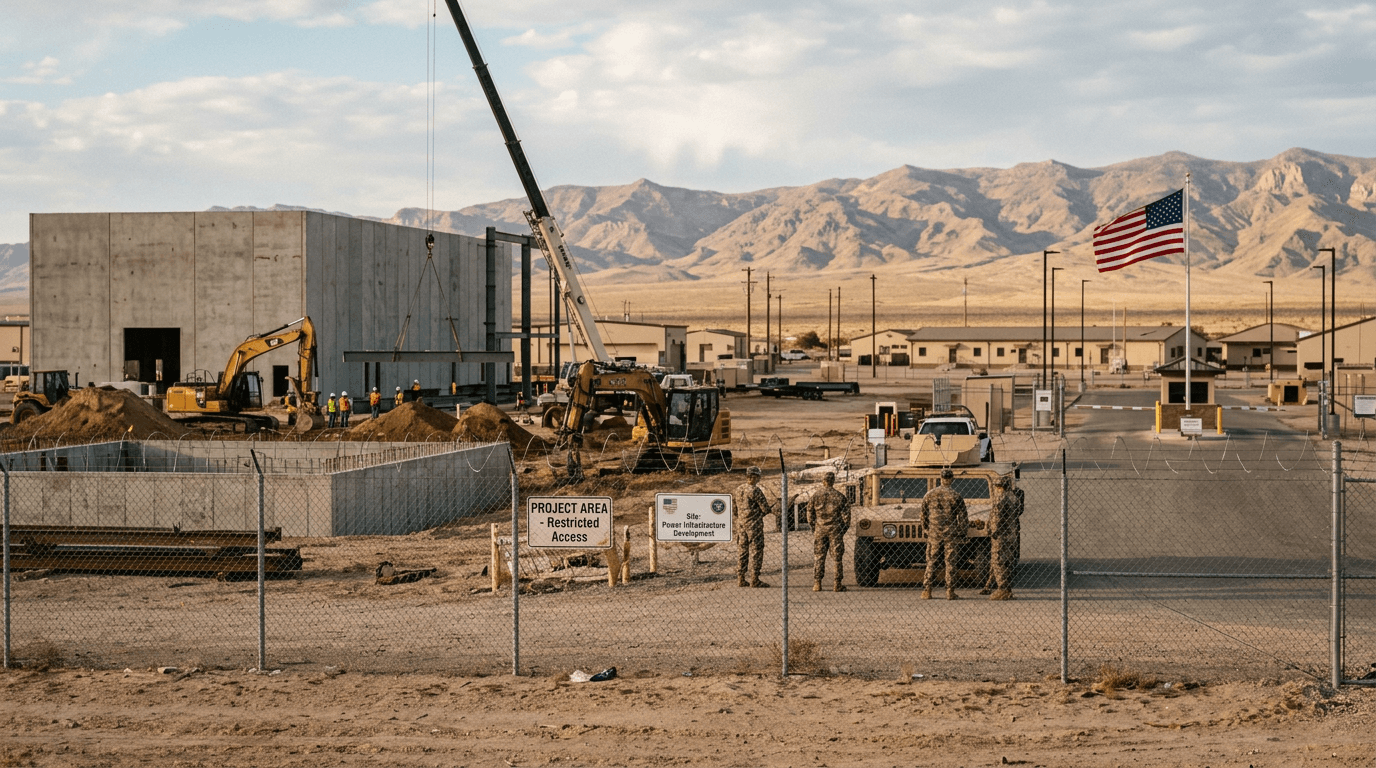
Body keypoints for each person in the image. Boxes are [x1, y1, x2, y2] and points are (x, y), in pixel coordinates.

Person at [920, 468, 969, 600]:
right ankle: (950, 591)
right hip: (950, 533)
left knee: (931, 561)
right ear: (951, 479)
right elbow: (963, 517)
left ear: (940, 479)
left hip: (934, 533)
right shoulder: (956, 496)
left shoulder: (929, 495)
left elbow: (923, 514)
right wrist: (962, 532)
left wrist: (926, 529)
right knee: (950, 562)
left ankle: (927, 590)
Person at [807, 471, 851, 592]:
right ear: (833, 481)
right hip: (835, 530)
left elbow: (809, 512)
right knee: (837, 557)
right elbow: (846, 517)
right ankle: (837, 583)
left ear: (823, 481)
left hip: (820, 529)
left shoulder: (816, 495)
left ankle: (817, 583)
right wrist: (842, 530)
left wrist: (813, 527)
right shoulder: (839, 496)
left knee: (819, 556)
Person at [981, 476, 1022, 600]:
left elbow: (996, 517)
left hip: (1001, 536)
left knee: (998, 561)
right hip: (1011, 534)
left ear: (999, 487)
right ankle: (1007, 590)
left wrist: (992, 531)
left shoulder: (1001, 498)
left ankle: (1002, 589)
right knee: (1008, 562)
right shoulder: (1014, 498)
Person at [734, 466, 771, 588]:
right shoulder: (755, 490)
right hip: (754, 525)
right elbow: (765, 509)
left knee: (742, 551)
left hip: (741, 525)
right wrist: (759, 513)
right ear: (754, 477)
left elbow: (734, 509)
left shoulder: (738, 489)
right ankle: (755, 579)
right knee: (756, 551)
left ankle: (741, 578)